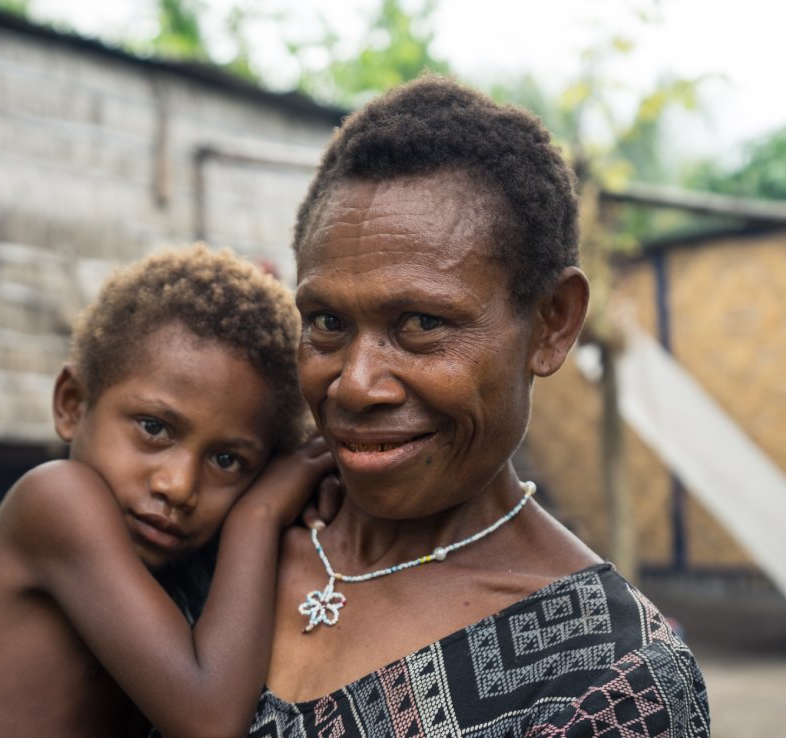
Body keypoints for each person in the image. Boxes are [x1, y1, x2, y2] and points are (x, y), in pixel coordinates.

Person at [248, 75, 710, 737]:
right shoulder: (215, 531)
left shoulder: (612, 682)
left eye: (422, 323)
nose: (354, 384)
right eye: (325, 321)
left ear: (551, 322)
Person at [0, 245, 336, 738]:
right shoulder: (57, 499)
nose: (178, 486)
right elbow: (209, 721)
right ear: (72, 403)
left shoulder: (173, 569)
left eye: (227, 460)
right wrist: (258, 512)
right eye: (154, 427)